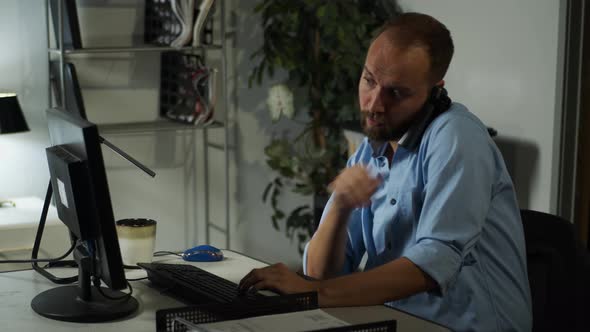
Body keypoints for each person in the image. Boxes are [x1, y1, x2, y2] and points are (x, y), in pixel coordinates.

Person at [239, 12, 532, 332]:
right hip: (398, 321)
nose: (374, 104)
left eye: (396, 93)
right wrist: (339, 205)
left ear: (435, 90)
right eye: (369, 80)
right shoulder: (372, 149)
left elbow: (435, 261)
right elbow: (320, 275)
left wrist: (313, 292)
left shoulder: (457, 138)